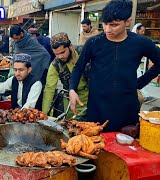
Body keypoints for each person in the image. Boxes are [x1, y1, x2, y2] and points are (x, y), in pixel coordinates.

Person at [69, 0, 160, 132]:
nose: (107, 29)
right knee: (96, 146)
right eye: (105, 24)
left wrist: (139, 83)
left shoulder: (141, 43)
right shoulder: (94, 42)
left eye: (114, 25)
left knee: (126, 148)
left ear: (127, 22)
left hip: (127, 107)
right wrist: (72, 89)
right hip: (97, 107)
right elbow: (78, 67)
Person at [42, 32, 89, 119]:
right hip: (74, 102)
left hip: (94, 97)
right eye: (56, 54)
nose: (60, 56)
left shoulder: (84, 52)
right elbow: (49, 89)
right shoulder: (55, 65)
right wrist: (44, 114)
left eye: (63, 52)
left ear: (70, 46)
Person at [131, 23, 156, 104]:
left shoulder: (143, 41)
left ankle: (144, 95)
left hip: (136, 64)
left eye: (144, 31)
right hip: (133, 64)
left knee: (139, 76)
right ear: (137, 30)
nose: (143, 33)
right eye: (142, 31)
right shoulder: (131, 40)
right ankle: (145, 95)